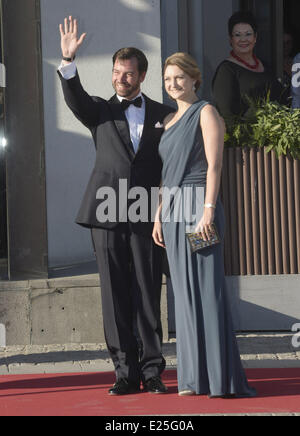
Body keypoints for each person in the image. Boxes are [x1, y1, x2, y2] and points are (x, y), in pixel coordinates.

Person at [58, 16, 174, 396]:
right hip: (105, 213)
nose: (120, 78)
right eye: (116, 73)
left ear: (141, 76)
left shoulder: (163, 115)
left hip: (145, 213)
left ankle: (153, 370)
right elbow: (74, 99)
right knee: (114, 294)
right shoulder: (99, 111)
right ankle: (124, 372)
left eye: (128, 74)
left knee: (146, 290)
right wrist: (69, 64)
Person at [153, 52, 256, 398]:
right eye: (168, 80)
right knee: (183, 294)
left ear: (195, 78)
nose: (173, 84)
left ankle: (219, 378)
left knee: (207, 291)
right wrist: (158, 214)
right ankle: (193, 378)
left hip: (200, 209)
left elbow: (214, 166)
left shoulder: (206, 112)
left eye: (179, 77)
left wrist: (209, 210)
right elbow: (167, 176)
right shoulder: (167, 120)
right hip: (174, 213)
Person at [212, 11, 285, 119]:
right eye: (237, 35)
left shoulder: (265, 65)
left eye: (248, 34)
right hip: (244, 134)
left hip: (273, 132)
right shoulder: (226, 70)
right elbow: (227, 115)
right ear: (230, 39)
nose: (243, 39)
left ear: (255, 37)